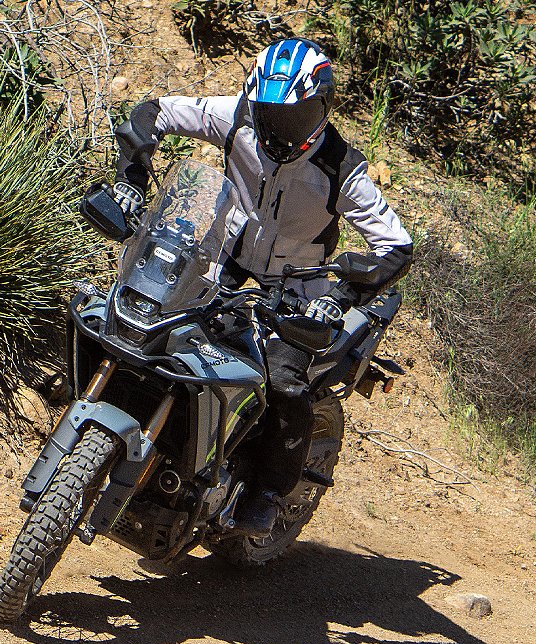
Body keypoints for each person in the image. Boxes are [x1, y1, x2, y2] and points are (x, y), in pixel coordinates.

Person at [112, 37, 413, 537]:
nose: (278, 125)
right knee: (151, 317)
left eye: (293, 115)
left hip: (298, 288)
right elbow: (153, 112)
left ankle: (267, 491)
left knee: (283, 381)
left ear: (321, 106)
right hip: (223, 256)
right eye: (270, 112)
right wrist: (132, 175)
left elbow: (396, 247)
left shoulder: (342, 166)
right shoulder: (235, 117)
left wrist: (339, 297)